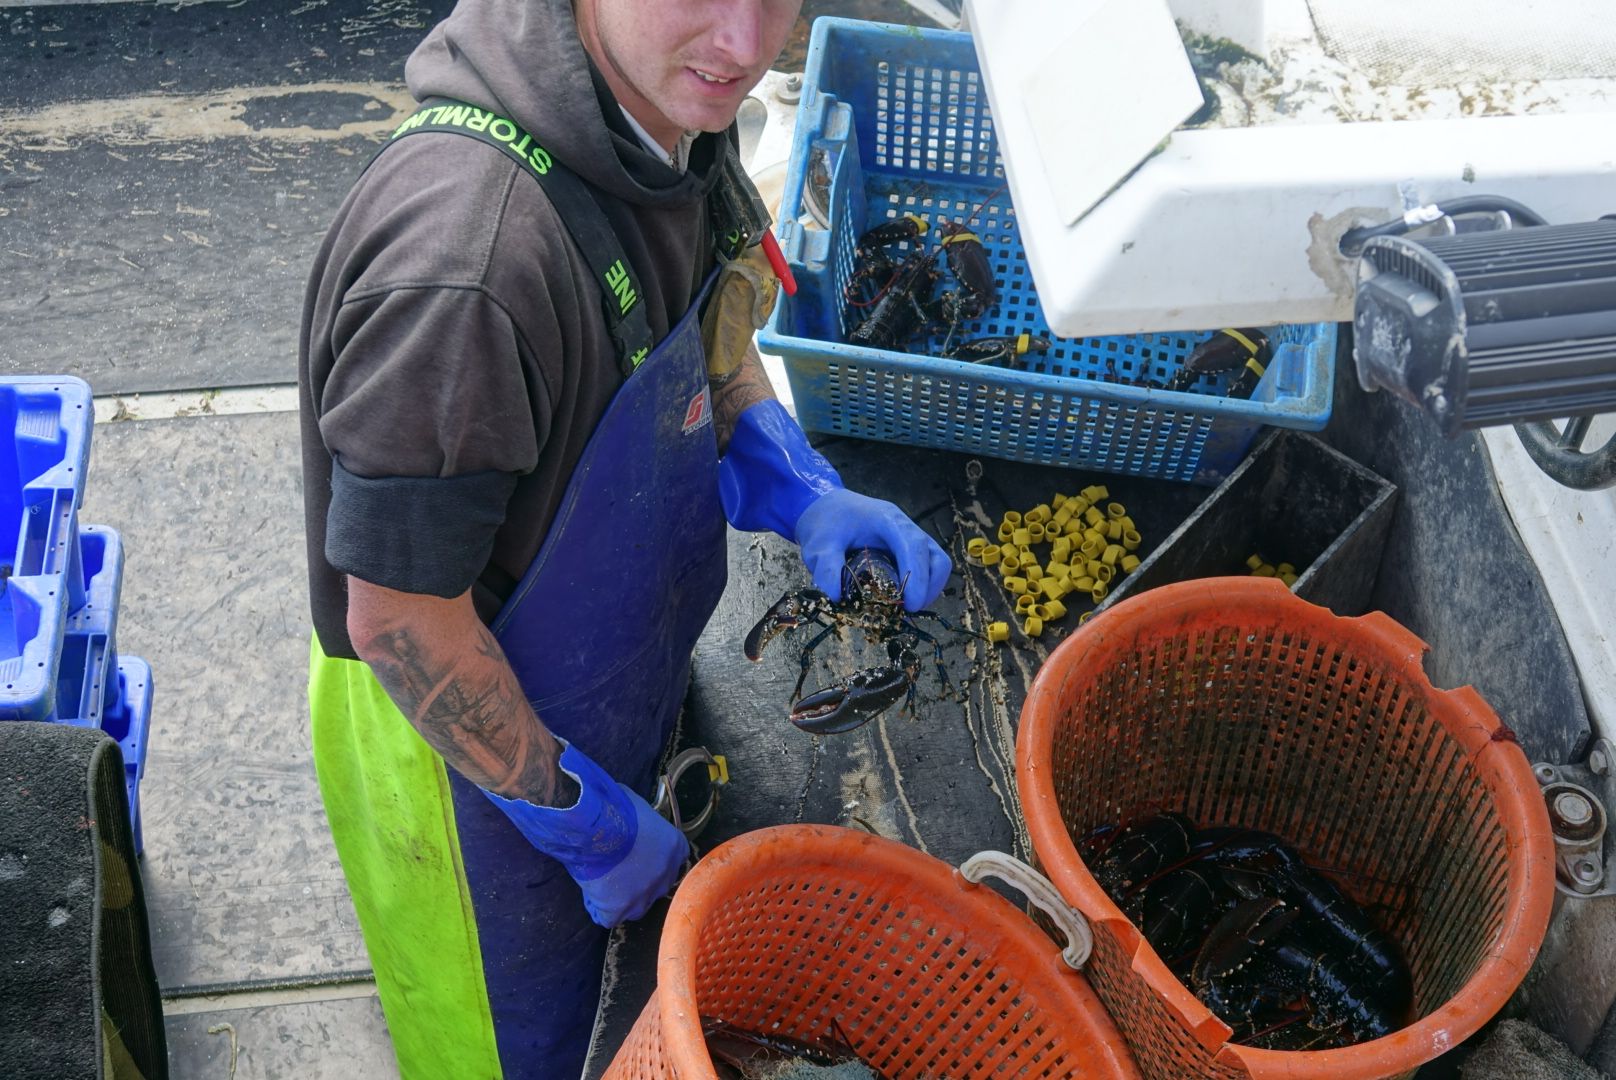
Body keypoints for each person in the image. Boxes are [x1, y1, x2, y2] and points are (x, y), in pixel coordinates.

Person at [296, 1, 952, 1076]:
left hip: (606, 684)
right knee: (517, 1050)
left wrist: (792, 476)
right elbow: (402, 622)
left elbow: (711, 316)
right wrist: (576, 815)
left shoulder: (665, 107)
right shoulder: (465, 277)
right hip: (458, 767)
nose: (744, 47)